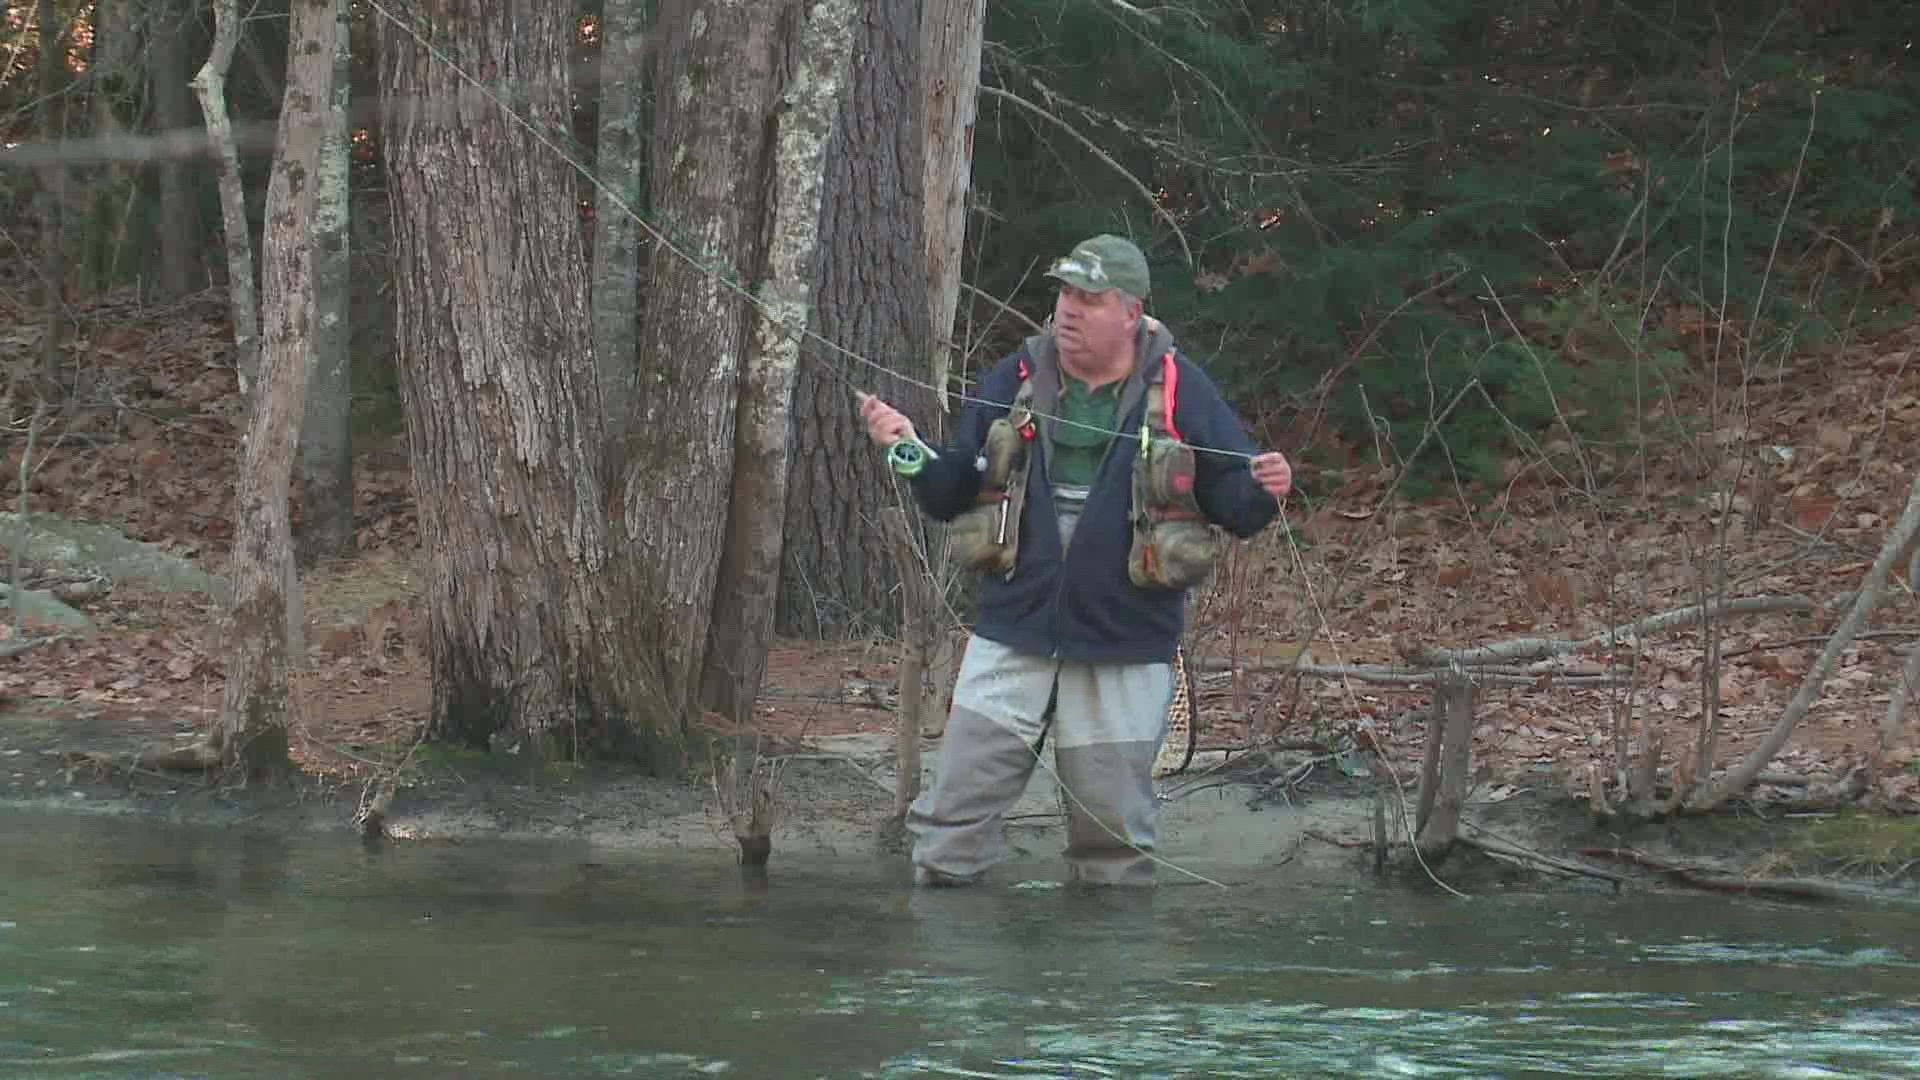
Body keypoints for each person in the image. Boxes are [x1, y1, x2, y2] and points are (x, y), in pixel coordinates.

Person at [858, 233, 1292, 888]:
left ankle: (1101, 983)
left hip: (1124, 643)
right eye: (1064, 293)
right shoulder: (1014, 377)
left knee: (1113, 854)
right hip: (1011, 634)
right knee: (949, 833)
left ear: (1130, 311)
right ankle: (950, 980)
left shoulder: (1183, 390)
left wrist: (1267, 487)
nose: (1068, 310)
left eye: (1088, 298)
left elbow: (1234, 505)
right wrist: (907, 449)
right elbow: (952, 493)